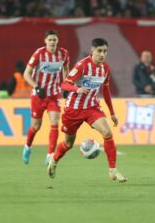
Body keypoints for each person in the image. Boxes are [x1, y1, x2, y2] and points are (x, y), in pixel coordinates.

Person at [47, 38, 127, 183]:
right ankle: (55, 159)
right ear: (92, 51)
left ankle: (113, 171)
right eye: (99, 51)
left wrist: (112, 113)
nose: (102, 54)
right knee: (68, 144)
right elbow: (65, 84)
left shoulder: (105, 69)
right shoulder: (82, 66)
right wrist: (77, 89)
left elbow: (106, 90)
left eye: (105, 51)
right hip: (73, 109)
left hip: (91, 107)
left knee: (108, 133)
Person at [22, 30, 70, 165]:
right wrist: (36, 87)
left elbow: (66, 69)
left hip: (54, 94)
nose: (52, 42)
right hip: (39, 95)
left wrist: (66, 85)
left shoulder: (64, 54)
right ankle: (27, 146)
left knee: (55, 123)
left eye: (54, 40)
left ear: (57, 41)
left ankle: (50, 155)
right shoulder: (39, 54)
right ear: (45, 41)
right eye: (50, 40)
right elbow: (26, 74)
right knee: (36, 126)